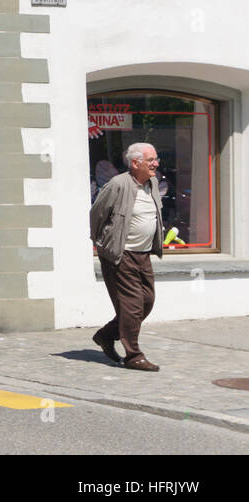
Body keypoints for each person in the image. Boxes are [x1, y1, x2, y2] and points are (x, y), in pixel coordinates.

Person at [89, 142, 165, 371]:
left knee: (147, 302)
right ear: (135, 162)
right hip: (121, 255)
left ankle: (106, 335)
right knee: (132, 306)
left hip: (143, 254)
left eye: (156, 159)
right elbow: (97, 214)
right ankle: (133, 355)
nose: (156, 163)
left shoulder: (151, 183)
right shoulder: (118, 184)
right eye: (151, 160)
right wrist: (102, 243)